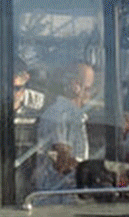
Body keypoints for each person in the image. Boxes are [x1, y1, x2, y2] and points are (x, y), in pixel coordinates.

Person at [33, 61, 94, 197]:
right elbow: (63, 162)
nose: (91, 95)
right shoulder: (60, 115)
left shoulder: (76, 115)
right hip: (58, 195)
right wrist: (95, 170)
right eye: (89, 89)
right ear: (75, 86)